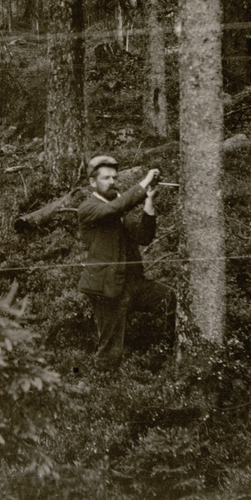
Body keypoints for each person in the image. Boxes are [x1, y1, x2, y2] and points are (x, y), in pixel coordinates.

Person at [77, 154, 174, 371]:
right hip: (106, 287)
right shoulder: (88, 208)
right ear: (93, 182)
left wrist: (149, 202)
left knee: (170, 298)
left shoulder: (119, 207)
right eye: (106, 178)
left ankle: (164, 358)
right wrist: (144, 183)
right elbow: (114, 209)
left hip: (133, 283)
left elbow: (143, 237)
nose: (112, 182)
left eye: (115, 178)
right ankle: (102, 387)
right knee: (110, 348)